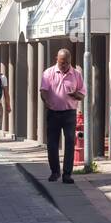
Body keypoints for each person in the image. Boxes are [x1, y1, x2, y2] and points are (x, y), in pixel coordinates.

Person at [40, 48, 84, 184]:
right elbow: (43, 91)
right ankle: (55, 172)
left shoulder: (76, 74)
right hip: (53, 112)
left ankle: (67, 174)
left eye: (67, 63)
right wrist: (47, 102)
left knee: (70, 142)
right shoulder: (48, 73)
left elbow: (82, 94)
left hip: (69, 113)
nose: (64, 65)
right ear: (56, 59)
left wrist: (75, 95)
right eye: (62, 62)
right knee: (52, 143)